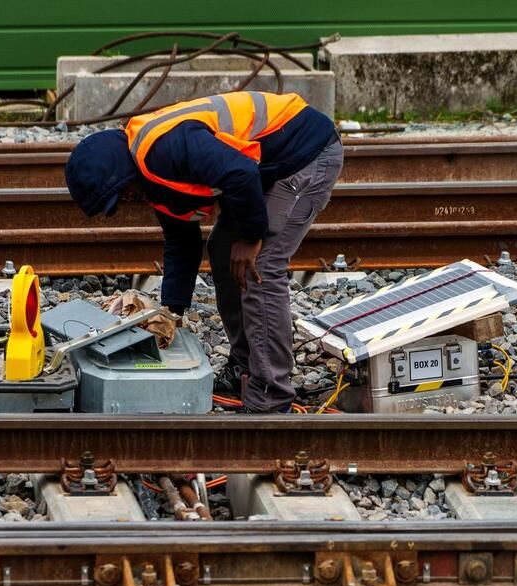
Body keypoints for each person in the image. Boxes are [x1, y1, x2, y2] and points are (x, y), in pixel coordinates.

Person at [65, 91, 343, 413]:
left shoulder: (163, 149)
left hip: (306, 152)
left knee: (260, 265)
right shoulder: (150, 177)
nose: (127, 199)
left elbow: (240, 173)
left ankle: (272, 396)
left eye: (121, 194)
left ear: (122, 173)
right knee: (224, 249)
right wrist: (171, 314)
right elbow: (181, 243)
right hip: (267, 166)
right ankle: (246, 367)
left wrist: (253, 237)